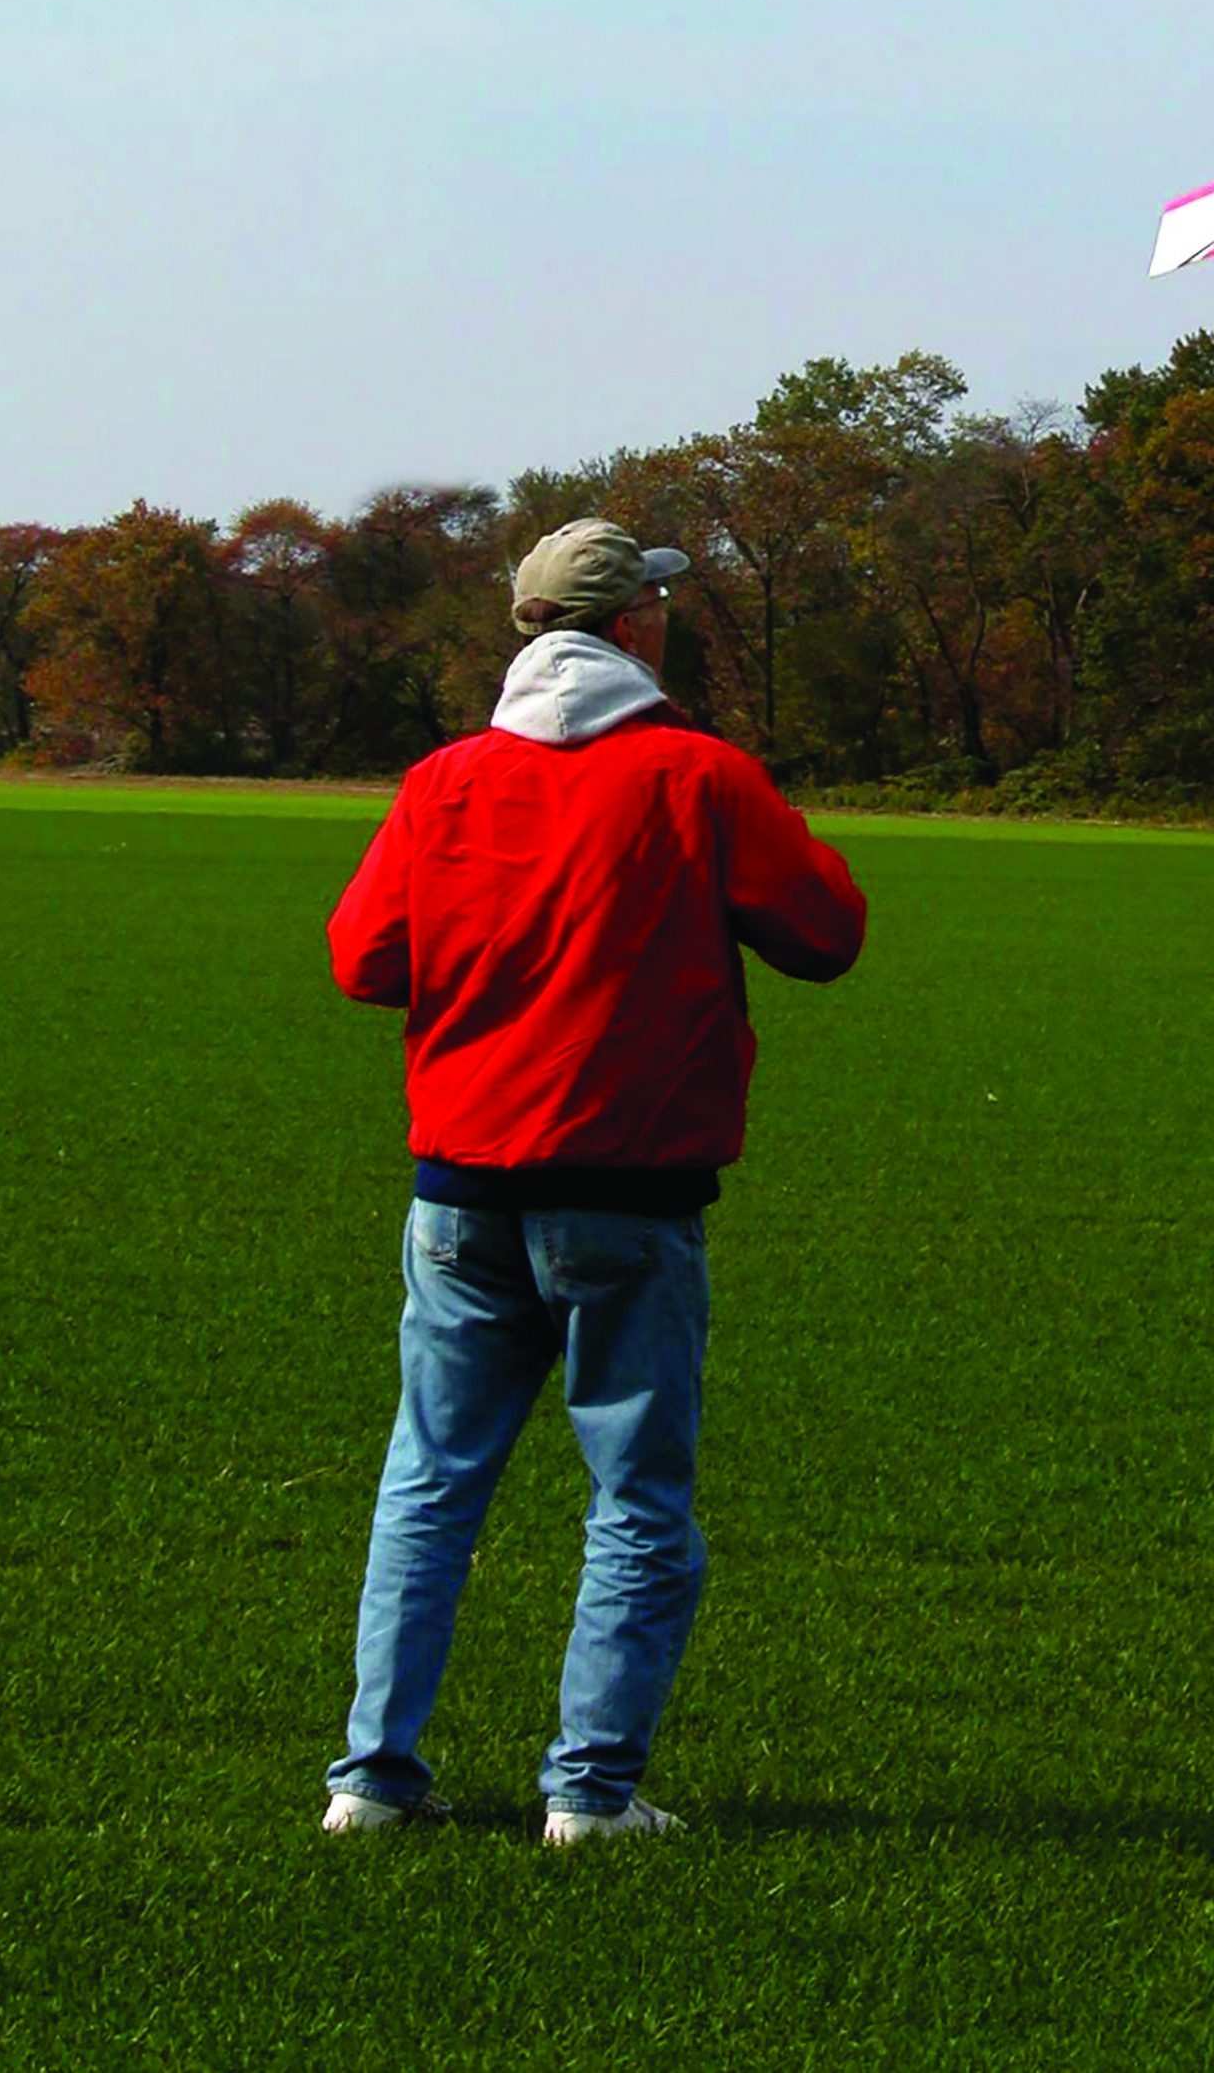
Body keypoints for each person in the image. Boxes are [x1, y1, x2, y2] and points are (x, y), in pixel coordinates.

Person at [318, 517, 866, 1844]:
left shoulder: (443, 781)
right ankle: (592, 1794)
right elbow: (826, 932)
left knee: (432, 1483)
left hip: (458, 1191)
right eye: (659, 607)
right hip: (625, 1193)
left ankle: (372, 1782)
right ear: (634, 629)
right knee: (636, 1501)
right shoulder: (697, 773)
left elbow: (362, 959)